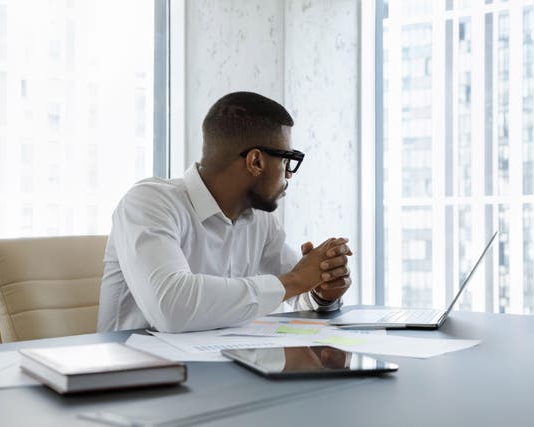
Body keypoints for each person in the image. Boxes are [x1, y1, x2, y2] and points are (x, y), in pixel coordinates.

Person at [97, 91, 352, 333]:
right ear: (256, 162)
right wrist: (296, 280)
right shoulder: (149, 203)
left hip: (224, 367)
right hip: (135, 373)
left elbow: (297, 294)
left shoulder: (262, 222)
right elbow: (171, 308)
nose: (289, 175)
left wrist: (321, 290)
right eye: (286, 160)